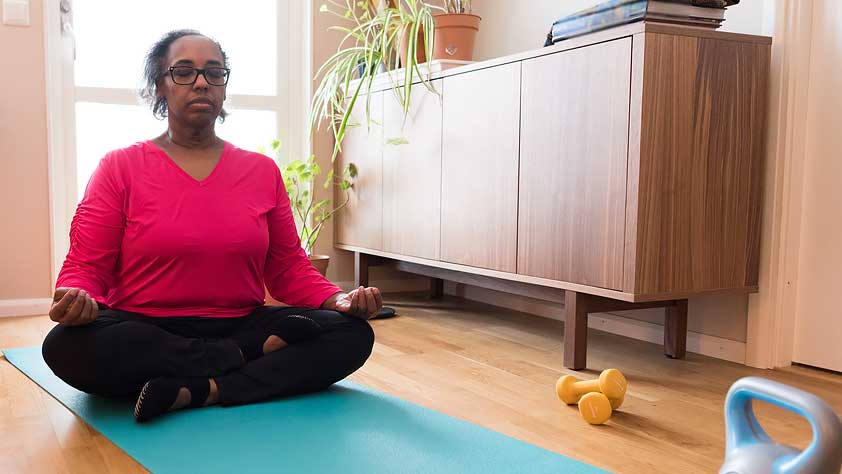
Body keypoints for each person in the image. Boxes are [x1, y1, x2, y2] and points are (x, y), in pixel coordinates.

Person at [41, 29, 380, 423]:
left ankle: (206, 389)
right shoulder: (119, 167)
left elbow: (288, 267)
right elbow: (88, 263)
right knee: (65, 346)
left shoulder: (261, 171)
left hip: (239, 324)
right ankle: (240, 362)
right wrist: (78, 298)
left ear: (222, 86)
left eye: (214, 72)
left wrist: (338, 300)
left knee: (352, 335)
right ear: (160, 86)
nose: (202, 81)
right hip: (147, 328)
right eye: (184, 71)